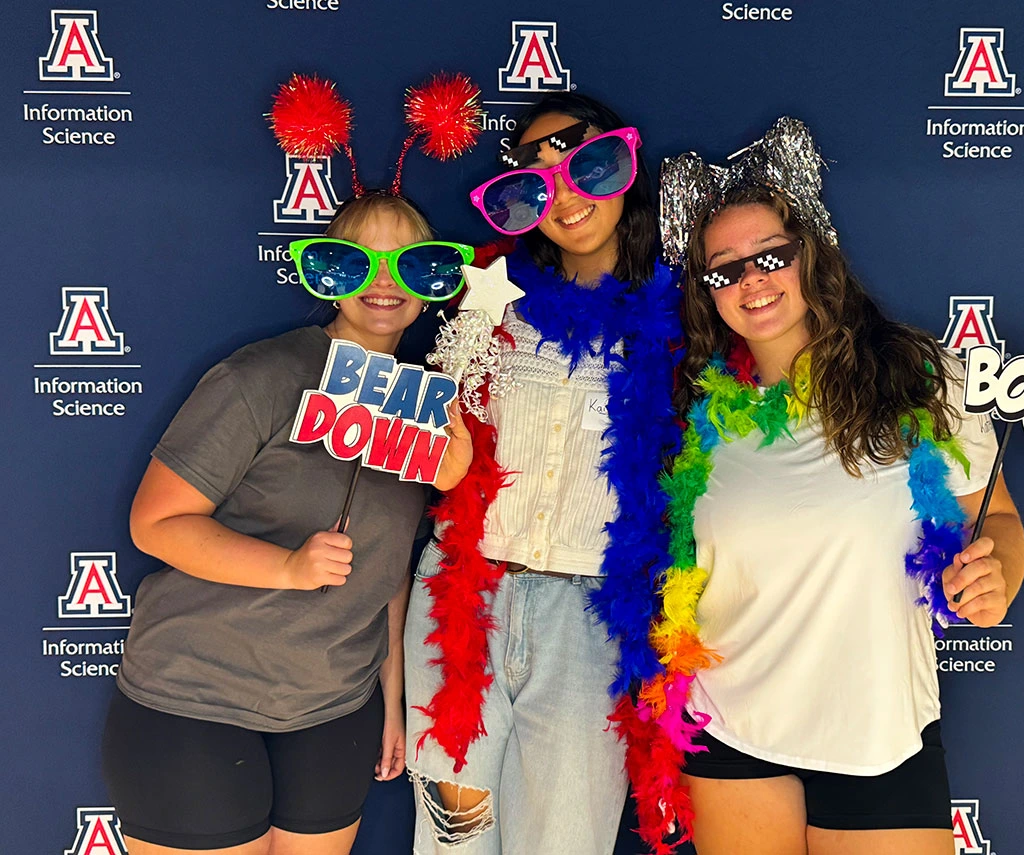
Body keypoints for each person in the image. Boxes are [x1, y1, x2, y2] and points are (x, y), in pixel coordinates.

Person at [646, 119, 1024, 855]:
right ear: (708, 292)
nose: (751, 278)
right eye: (725, 268)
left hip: (880, 732)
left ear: (809, 255)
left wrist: (997, 572)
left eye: (771, 254)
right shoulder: (692, 414)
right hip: (734, 733)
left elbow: (998, 516)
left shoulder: (921, 380)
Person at [102, 192, 472, 855]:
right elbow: (155, 522)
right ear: (326, 273)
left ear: (433, 281)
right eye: (355, 260)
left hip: (332, 709)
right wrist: (287, 567)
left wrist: (393, 700)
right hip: (195, 698)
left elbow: (388, 572)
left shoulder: (427, 406)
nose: (384, 280)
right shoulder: (264, 376)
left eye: (409, 262)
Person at [403, 93, 680, 855]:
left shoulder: (681, 316)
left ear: (624, 168)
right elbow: (443, 435)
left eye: (588, 165)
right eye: (540, 181)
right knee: (452, 844)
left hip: (591, 620)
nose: (568, 195)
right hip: (464, 599)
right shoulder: (492, 297)